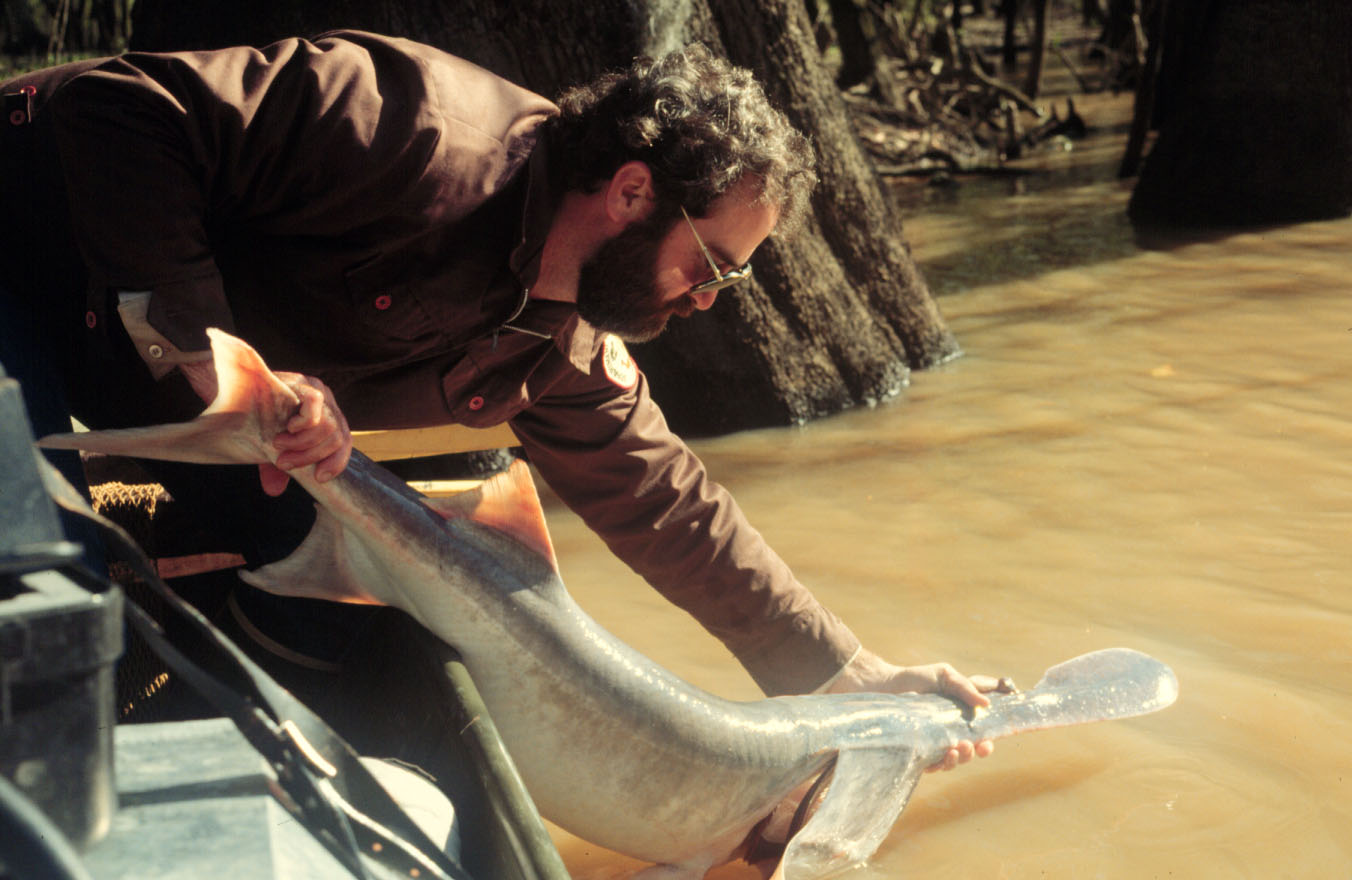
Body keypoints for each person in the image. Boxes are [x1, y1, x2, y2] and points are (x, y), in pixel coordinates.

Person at [0, 32, 996, 774]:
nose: (704, 300)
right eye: (711, 266)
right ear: (632, 191)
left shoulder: (565, 338)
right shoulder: (413, 129)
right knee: (49, 581)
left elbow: (667, 503)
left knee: (319, 593)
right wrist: (218, 360)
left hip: (146, 368)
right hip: (24, 234)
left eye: (725, 284)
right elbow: (117, 110)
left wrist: (841, 674)